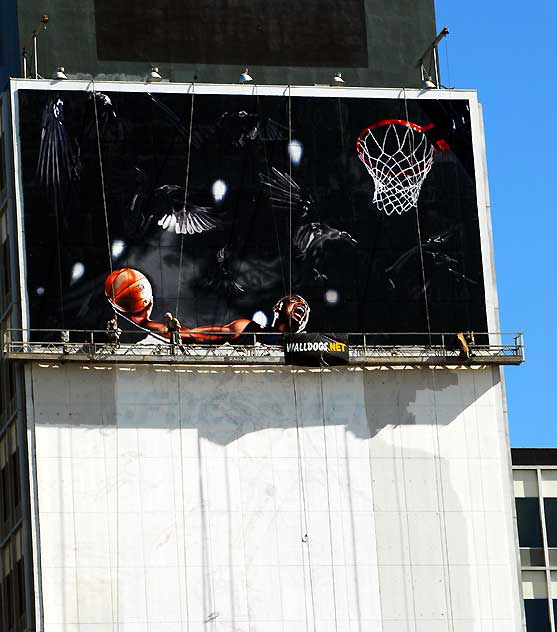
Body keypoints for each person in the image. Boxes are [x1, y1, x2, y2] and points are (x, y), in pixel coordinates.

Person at [105, 268, 310, 344]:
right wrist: (140, 319)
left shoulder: (311, 343)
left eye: (305, 307)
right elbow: (191, 335)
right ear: (277, 308)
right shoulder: (246, 329)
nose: (302, 305)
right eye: (294, 300)